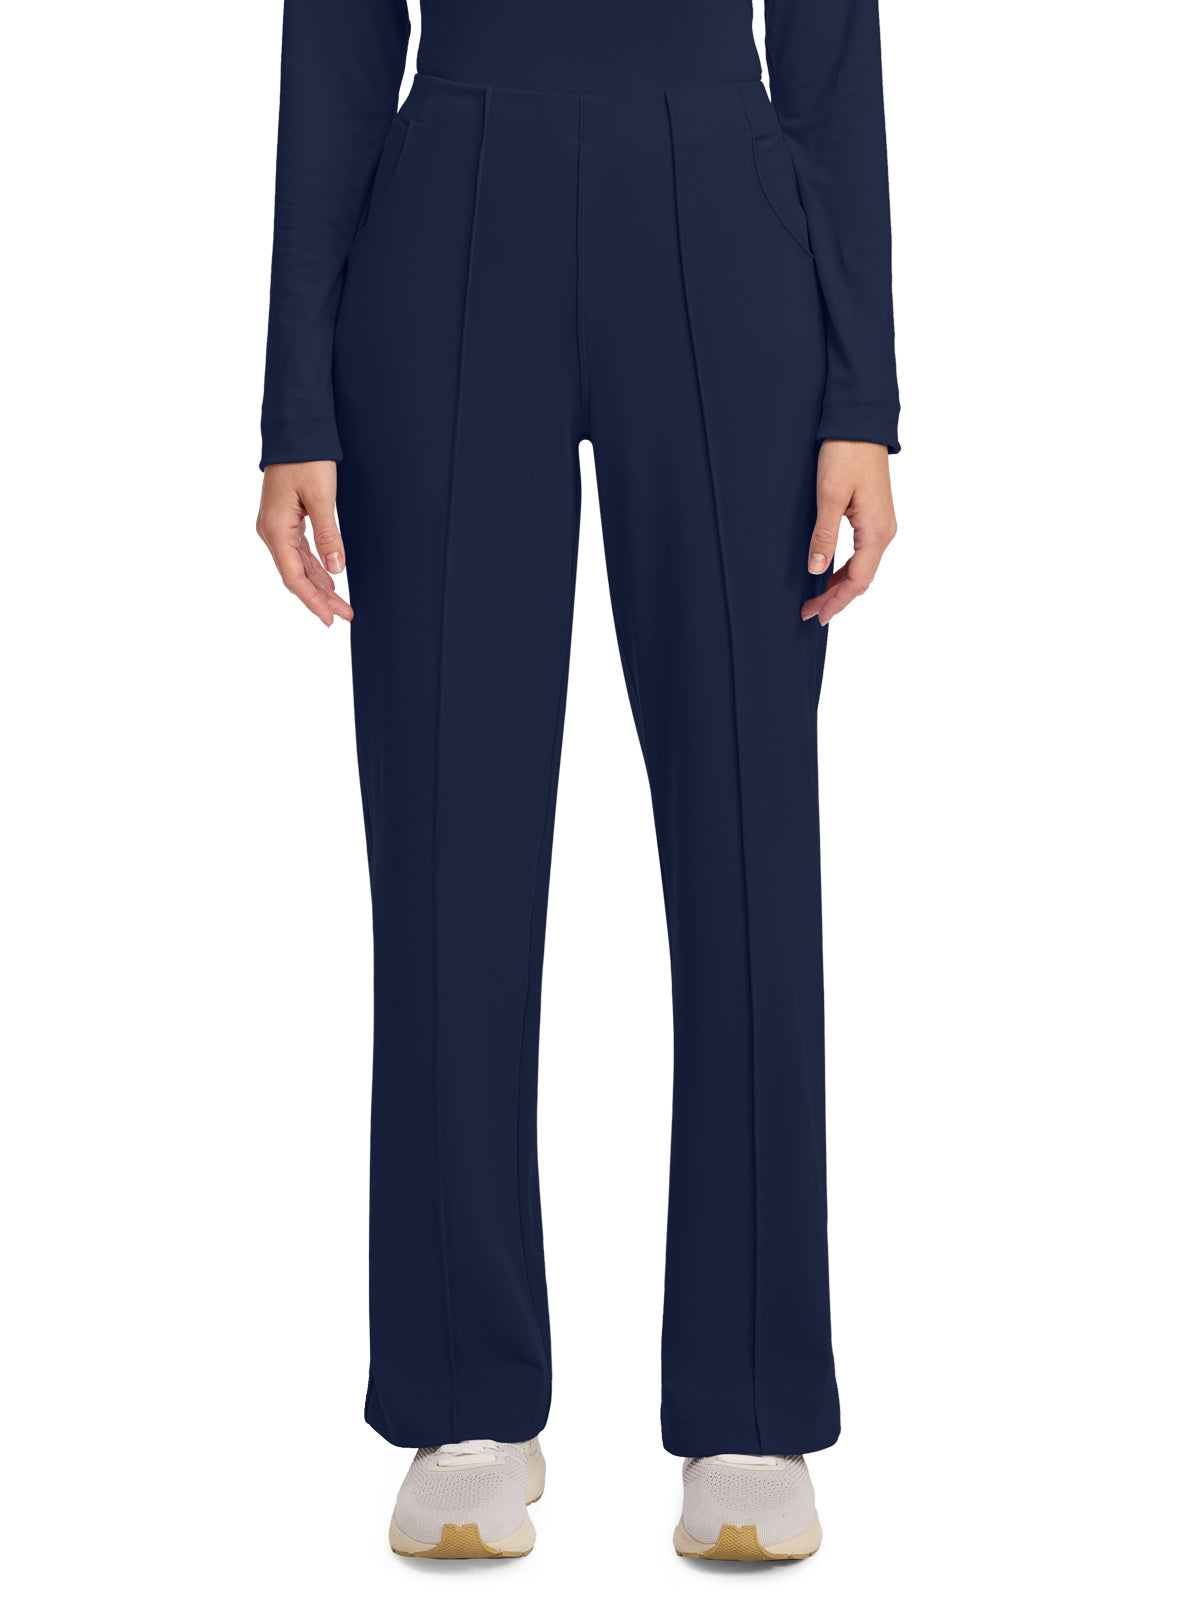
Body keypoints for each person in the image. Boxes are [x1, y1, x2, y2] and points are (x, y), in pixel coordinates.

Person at [255, 0, 898, 1564]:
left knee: (748, 846)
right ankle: (461, 1399)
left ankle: (752, 1406)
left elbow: (830, 38)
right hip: (451, 217)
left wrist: (862, 395)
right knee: (446, 844)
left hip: (726, 210)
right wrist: (294, 403)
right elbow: (337, 37)